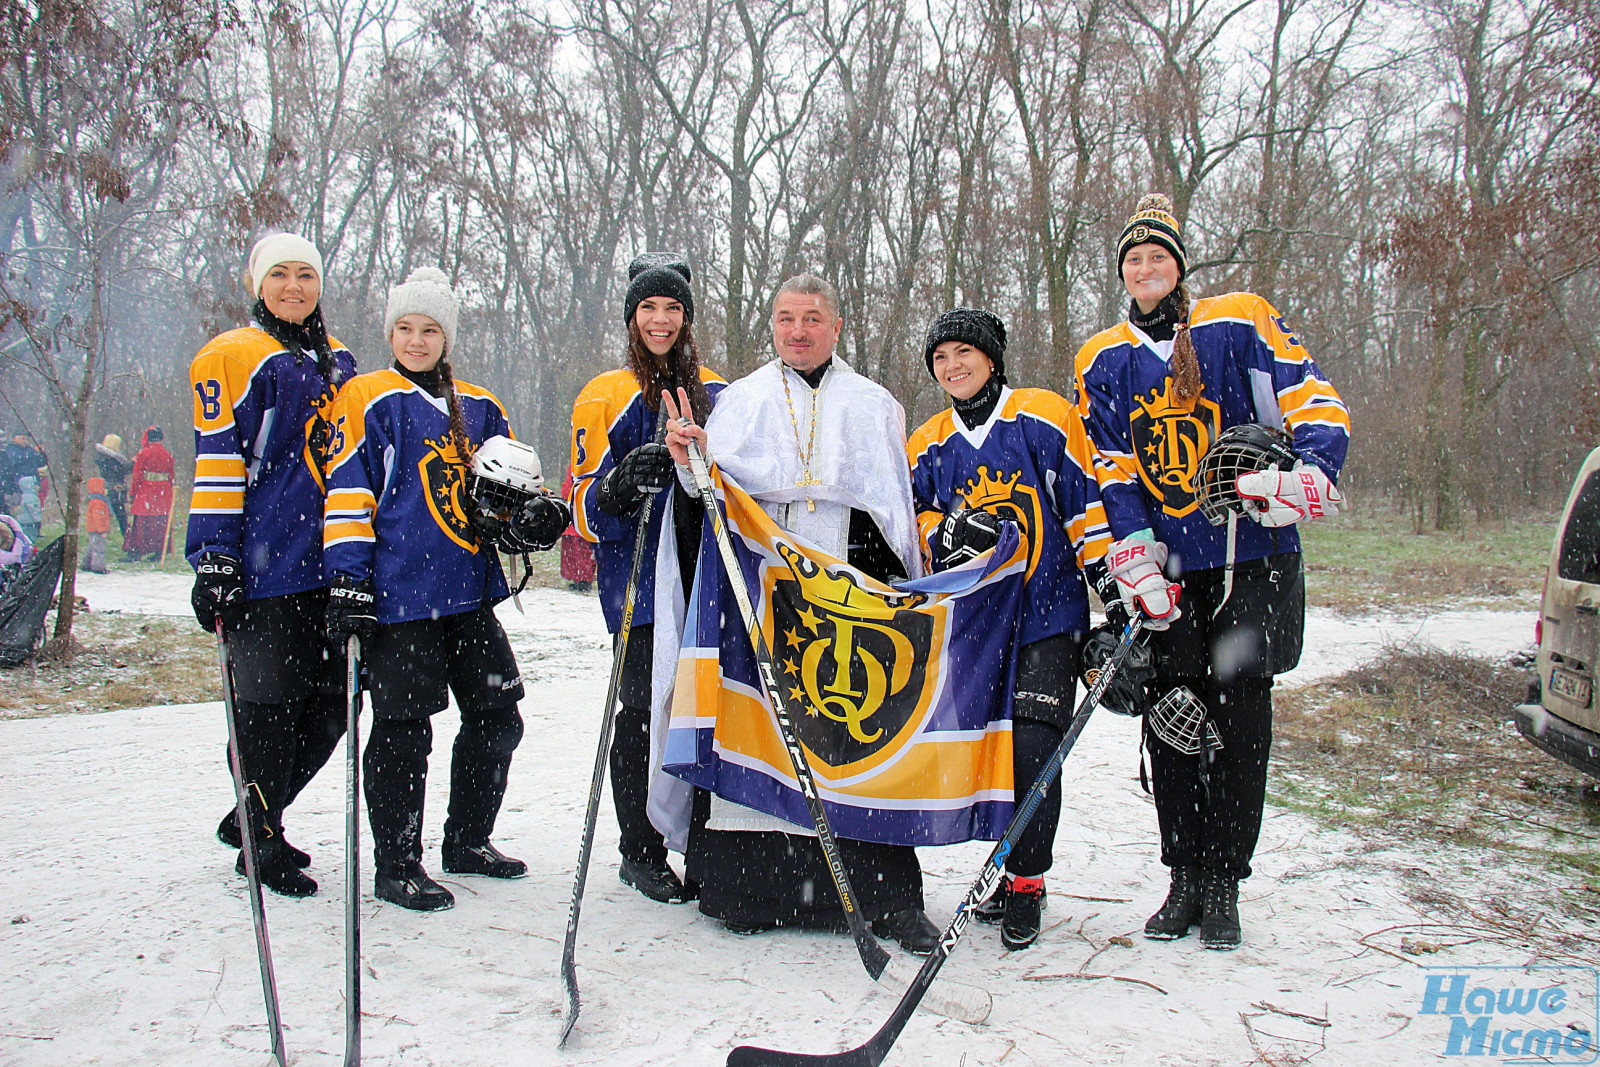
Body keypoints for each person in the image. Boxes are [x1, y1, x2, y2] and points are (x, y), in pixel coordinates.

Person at [1074, 194, 1349, 948]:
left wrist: (1315, 466)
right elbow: (1113, 463)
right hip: (1170, 568)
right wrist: (1129, 548)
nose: (1146, 267)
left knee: (1240, 720)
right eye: (1133, 259)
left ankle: (1225, 877)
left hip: (1248, 559)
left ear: (1180, 264)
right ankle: (1183, 874)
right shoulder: (1102, 358)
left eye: (1158, 255)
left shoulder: (1237, 321)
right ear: (1122, 274)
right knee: (1172, 715)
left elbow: (1308, 390)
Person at [663, 273, 940, 953]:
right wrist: (691, 465)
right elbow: (717, 503)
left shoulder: (875, 405)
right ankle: (756, 890)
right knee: (769, 738)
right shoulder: (742, 401)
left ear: (836, 327)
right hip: (768, 602)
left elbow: (893, 516)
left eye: (812, 318)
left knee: (855, 742)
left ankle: (887, 896)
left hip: (850, 602)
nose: (798, 330)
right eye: (785, 318)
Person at [323, 267, 569, 912]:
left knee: (498, 716)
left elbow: (508, 496)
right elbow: (349, 492)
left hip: (466, 596)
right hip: (399, 599)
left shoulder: (481, 407)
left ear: (447, 336)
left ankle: (466, 841)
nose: (416, 339)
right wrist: (346, 582)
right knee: (404, 729)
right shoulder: (367, 397)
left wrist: (534, 518)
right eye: (404, 328)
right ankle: (396, 863)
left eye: (429, 329)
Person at [906, 308, 1109, 949]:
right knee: (991, 754)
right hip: (977, 627)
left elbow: (1086, 507)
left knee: (1032, 749)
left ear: (992, 358)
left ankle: (1028, 879)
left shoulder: (1041, 418)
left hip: (1048, 614)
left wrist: (1116, 592)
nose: (953, 366)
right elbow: (904, 518)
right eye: (940, 358)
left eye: (964, 352)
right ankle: (1006, 863)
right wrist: (943, 531)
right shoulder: (929, 440)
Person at [187, 232, 357, 897]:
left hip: (328, 562)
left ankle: (255, 812)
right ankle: (261, 838)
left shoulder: (337, 360)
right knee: (267, 706)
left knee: (333, 704)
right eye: (280, 275)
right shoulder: (237, 355)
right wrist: (214, 557)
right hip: (265, 564)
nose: (294, 286)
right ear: (257, 283)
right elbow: (220, 460)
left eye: (306, 275)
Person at [568, 254, 725, 904]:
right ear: (631, 316)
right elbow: (579, 503)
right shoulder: (604, 392)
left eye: (673, 308)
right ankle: (641, 847)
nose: (661, 319)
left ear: (687, 317)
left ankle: (709, 842)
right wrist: (619, 486)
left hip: (703, 574)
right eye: (648, 308)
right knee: (641, 707)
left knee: (705, 710)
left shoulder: (718, 387)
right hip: (637, 580)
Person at [125, 427, 174, 560]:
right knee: (159, 520)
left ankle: (137, 550)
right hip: (163, 490)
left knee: (141, 519)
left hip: (147, 488)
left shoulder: (143, 453)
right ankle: (159, 550)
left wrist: (133, 492)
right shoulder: (167, 454)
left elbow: (137, 475)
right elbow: (171, 476)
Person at [558, 472, 595, 593]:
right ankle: (578, 578)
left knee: (581, 550)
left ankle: (583, 579)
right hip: (575, 510)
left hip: (579, 511)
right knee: (575, 550)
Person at [93, 434, 133, 537]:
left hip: (107, 489)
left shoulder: (103, 457)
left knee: (103, 518)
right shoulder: (111, 459)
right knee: (122, 518)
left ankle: (96, 542)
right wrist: (132, 463)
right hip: (115, 490)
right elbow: (121, 471)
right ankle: (128, 540)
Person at [83, 476, 111, 573]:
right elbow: (98, 518)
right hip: (97, 530)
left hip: (93, 529)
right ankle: (98, 566)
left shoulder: (94, 501)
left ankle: (86, 564)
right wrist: (102, 530)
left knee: (92, 546)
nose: (106, 490)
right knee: (99, 548)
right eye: (105, 488)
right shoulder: (99, 502)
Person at [14, 474, 42, 543]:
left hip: (23, 522)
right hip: (29, 523)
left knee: (25, 538)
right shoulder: (31, 497)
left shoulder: (23, 496)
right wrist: (38, 520)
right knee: (30, 538)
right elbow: (33, 510)